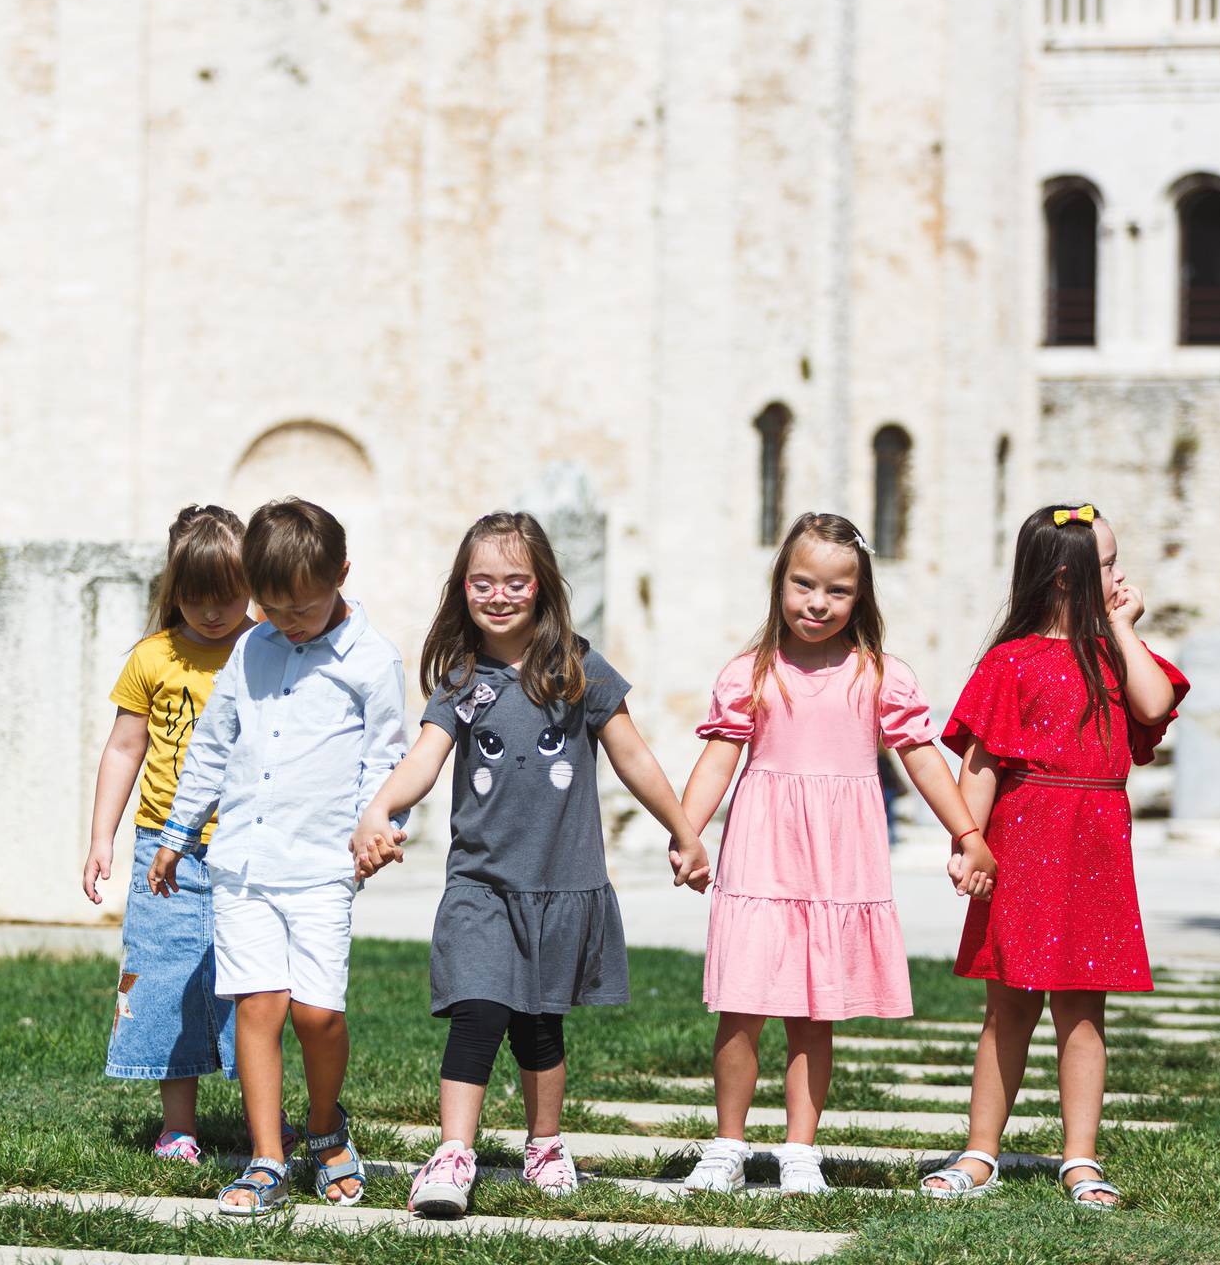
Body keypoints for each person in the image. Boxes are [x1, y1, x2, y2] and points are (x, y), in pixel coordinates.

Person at [350, 511, 713, 1218]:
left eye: (516, 581)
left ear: (543, 586)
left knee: (540, 1023)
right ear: (461, 590)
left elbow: (633, 755)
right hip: (482, 883)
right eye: (482, 582)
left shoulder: (579, 669)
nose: (499, 595)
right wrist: (379, 809)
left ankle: (544, 1144)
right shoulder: (460, 680)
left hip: (558, 883)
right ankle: (454, 1153)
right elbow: (425, 756)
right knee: (478, 1007)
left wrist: (682, 828)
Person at [678, 512, 994, 1195]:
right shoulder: (750, 674)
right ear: (779, 583)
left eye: (837, 591)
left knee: (813, 1011)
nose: (816, 603)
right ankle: (727, 1144)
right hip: (763, 852)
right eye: (802, 585)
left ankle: (799, 1149)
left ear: (861, 598)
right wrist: (687, 829)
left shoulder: (880, 675)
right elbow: (717, 761)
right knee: (741, 1005)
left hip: (837, 860)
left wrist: (968, 834)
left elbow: (924, 763)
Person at [919, 503, 1187, 1209]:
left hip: (1095, 849)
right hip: (1024, 840)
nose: (1122, 575)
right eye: (1108, 565)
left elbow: (1155, 705)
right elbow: (979, 764)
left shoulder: (1118, 658)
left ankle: (1080, 1158)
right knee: (1007, 1009)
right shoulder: (1010, 663)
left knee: (1083, 1010)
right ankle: (981, 1152)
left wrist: (1125, 628)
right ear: (1069, 579)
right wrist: (969, 842)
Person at [154, 497, 409, 1216]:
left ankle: (326, 1130)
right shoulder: (250, 647)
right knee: (259, 1008)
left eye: (302, 606)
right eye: (270, 606)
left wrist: (380, 823)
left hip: (322, 864)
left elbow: (387, 756)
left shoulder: (371, 658)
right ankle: (268, 1156)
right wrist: (178, 834)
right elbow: (212, 745)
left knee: (317, 1014)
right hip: (242, 860)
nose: (286, 620)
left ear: (342, 576)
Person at [84, 503, 249, 1166]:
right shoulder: (152, 658)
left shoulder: (264, 652)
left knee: (253, 986)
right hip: (165, 852)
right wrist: (103, 838)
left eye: (228, 595)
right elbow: (124, 749)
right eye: (194, 596)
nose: (211, 612)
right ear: (173, 590)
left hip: (246, 846)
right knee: (164, 981)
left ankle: (267, 1122)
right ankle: (178, 1128)